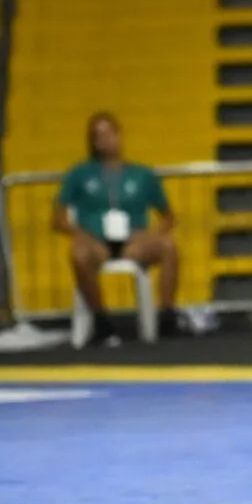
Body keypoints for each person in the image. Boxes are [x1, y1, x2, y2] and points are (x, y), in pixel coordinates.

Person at [53, 112, 180, 345]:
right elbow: (58, 220)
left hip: (133, 242)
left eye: (110, 133)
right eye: (99, 136)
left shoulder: (142, 174)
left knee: (169, 246)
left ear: (119, 136)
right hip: (96, 241)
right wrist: (82, 235)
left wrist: (151, 234)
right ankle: (101, 321)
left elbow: (169, 217)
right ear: (92, 142)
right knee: (78, 254)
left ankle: (168, 317)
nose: (106, 140)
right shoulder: (79, 174)